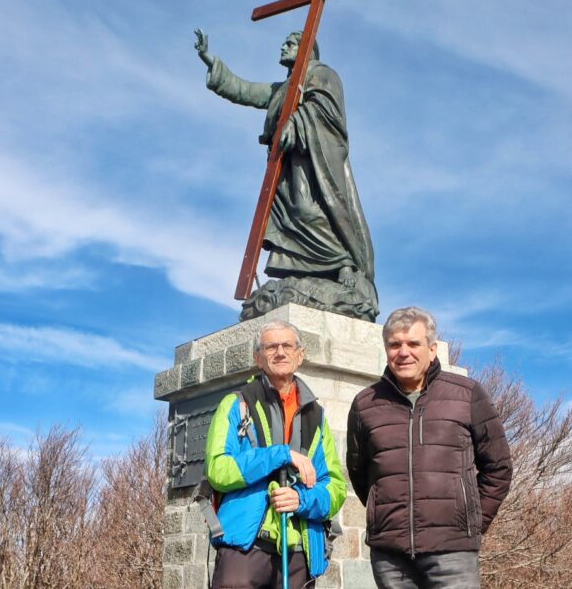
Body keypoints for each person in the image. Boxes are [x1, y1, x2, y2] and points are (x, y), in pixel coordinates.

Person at [194, 29, 378, 321]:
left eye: (291, 43)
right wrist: (210, 60)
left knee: (308, 210)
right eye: (285, 43)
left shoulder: (323, 74)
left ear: (308, 50)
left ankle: (343, 262)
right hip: (285, 165)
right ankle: (301, 273)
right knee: (290, 216)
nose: (283, 46)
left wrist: (298, 121)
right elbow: (243, 89)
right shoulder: (282, 88)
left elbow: (328, 114)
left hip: (314, 161)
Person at [346, 307, 513, 588]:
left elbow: (498, 467)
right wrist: (385, 515)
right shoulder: (366, 403)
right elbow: (360, 471)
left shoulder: (467, 394)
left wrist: (471, 521)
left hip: (453, 553)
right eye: (395, 344)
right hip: (391, 556)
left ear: (432, 349)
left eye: (413, 344)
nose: (403, 352)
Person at [204, 320, 348, 588]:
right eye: (271, 347)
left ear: (300, 355)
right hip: (244, 549)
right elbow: (218, 470)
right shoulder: (236, 404)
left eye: (287, 345)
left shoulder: (318, 417)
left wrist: (300, 500)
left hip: (298, 552)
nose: (280, 352)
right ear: (258, 358)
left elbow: (336, 488)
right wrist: (279, 455)